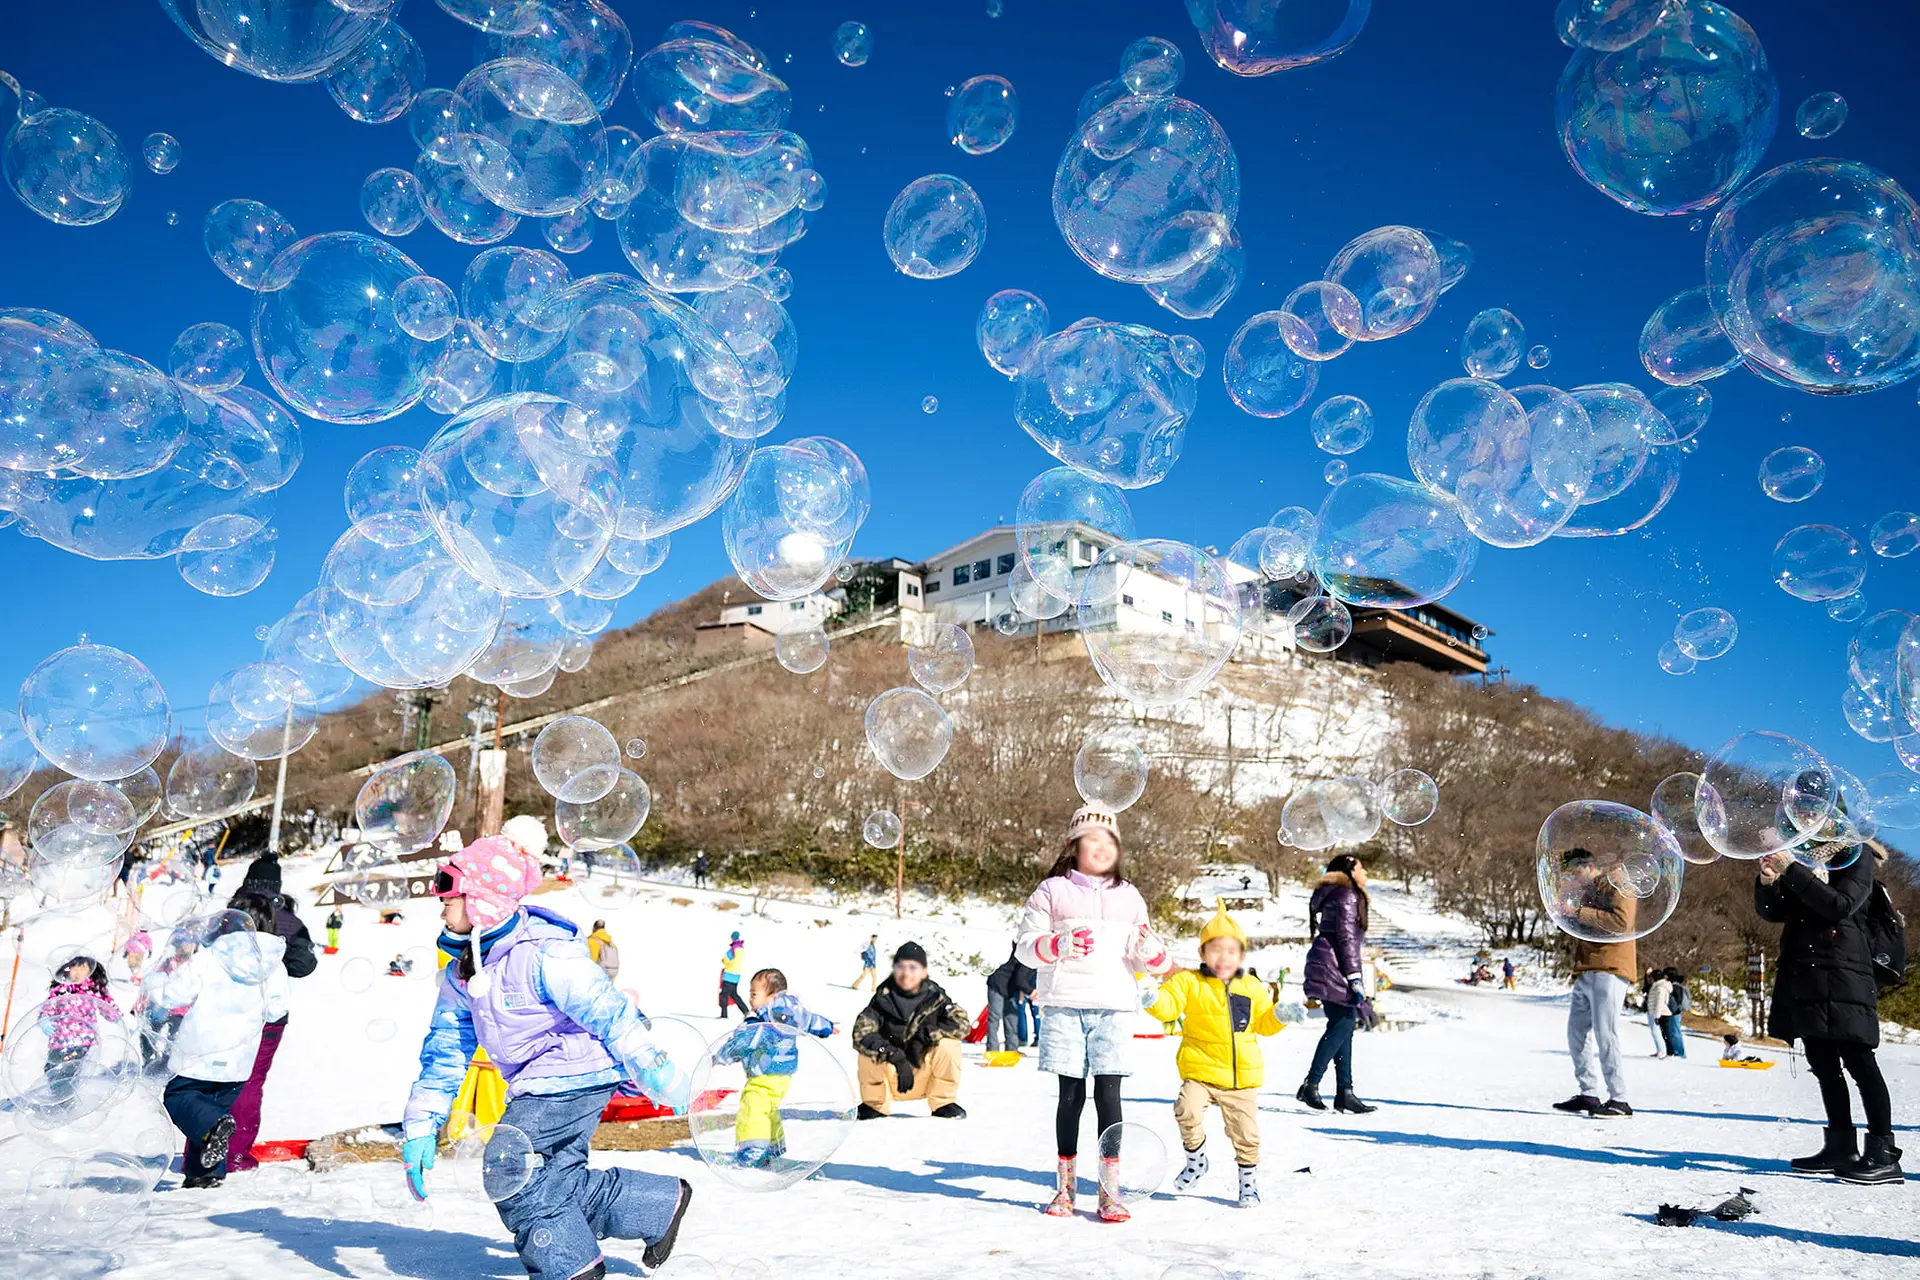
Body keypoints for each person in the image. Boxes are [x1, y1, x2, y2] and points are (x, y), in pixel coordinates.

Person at [401, 833, 695, 1278]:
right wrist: (422, 1122)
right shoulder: (463, 971)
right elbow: (445, 1049)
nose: (441, 905)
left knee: (509, 1168)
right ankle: (654, 1206)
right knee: (555, 1181)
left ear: (482, 900)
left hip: (573, 1073)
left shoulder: (544, 952)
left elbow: (609, 1010)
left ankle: (570, 1267)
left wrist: (652, 1067)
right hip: (537, 1086)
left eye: (450, 894)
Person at [1016, 804, 1173, 1223]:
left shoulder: (1131, 896)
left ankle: (1109, 1192)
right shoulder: (1051, 891)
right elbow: (1025, 947)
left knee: (1109, 1096)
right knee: (1071, 1097)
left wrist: (1150, 954)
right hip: (1065, 1005)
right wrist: (1055, 945)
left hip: (1115, 1008)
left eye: (1110, 841)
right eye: (1093, 839)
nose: (1102, 847)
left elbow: (1152, 960)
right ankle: (1065, 1189)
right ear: (1074, 844)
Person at [1756, 845, 1903, 1184]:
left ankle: (1883, 1153)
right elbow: (1777, 911)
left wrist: (1792, 868)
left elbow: (1839, 905)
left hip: (1844, 973)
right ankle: (1840, 1146)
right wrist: (1768, 882)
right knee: (1823, 1064)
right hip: (1806, 973)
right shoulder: (1806, 859)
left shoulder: (1857, 853)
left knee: (1859, 1060)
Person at [147, 898, 291, 1187]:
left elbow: (175, 994)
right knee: (213, 1111)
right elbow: (277, 1010)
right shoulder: (274, 965)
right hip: (240, 1057)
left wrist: (155, 986)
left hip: (199, 1051)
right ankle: (204, 1175)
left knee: (180, 1098)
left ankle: (211, 1139)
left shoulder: (209, 956)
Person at [1146, 903, 1282, 1208]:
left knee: (1246, 1133)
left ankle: (1248, 1184)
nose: (1224, 957)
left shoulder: (1252, 986)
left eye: (1231, 951)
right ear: (1202, 954)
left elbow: (1264, 1024)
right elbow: (1168, 1006)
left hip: (1241, 1077)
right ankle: (1196, 1160)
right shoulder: (1189, 982)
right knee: (1187, 1108)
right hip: (1201, 1070)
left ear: (1242, 956)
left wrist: (1281, 1015)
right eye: (1215, 950)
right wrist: (1153, 999)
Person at [224, 860, 318, 1174]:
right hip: (268, 1013)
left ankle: (203, 1153)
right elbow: (305, 966)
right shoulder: (287, 920)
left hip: (221, 1009)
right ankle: (236, 1154)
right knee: (250, 1083)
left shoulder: (229, 914)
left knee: (212, 1079)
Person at [714, 968, 836, 1167]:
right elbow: (809, 1019)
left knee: (753, 1104)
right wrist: (827, 1026)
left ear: (772, 996)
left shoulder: (760, 1021)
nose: (750, 999)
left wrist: (719, 1057)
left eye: (754, 994)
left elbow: (741, 1044)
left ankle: (753, 1150)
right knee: (768, 1107)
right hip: (783, 1074)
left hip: (765, 1072)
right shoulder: (788, 1014)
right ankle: (772, 1145)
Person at [1551, 848, 1637, 1119]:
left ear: (1589, 865)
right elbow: (1580, 923)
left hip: (1610, 966)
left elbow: (1621, 922)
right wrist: (1564, 915)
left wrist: (1577, 912)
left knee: (1605, 1032)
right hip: (1587, 966)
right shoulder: (1587, 891)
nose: (1574, 878)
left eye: (1575, 872)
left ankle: (1619, 1099)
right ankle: (1588, 1093)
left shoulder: (1619, 882)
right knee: (1576, 1032)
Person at [850, 941, 970, 1121]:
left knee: (949, 1045)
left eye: (913, 967)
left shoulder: (937, 998)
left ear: (924, 971)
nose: (906, 973)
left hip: (924, 1073)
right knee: (867, 1051)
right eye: (901, 967)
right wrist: (892, 1053)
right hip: (891, 1074)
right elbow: (861, 1033)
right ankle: (875, 1104)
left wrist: (927, 1035)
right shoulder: (882, 999)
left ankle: (943, 1103)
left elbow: (961, 1024)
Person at [1298, 854, 1377, 1115]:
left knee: (1343, 1026)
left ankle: (1345, 1092)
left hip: (1326, 963)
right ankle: (1311, 1083)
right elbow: (1346, 939)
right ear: (1349, 871)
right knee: (1343, 1024)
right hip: (1335, 968)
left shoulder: (1334, 893)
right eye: (1361, 867)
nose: (1365, 873)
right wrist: (1355, 977)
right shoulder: (1347, 895)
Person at [40, 956, 121, 1104]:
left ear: (90, 971)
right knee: (51, 1069)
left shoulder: (94, 991)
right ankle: (60, 1098)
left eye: (83, 968)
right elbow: (48, 1008)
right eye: (74, 967)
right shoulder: (60, 990)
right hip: (59, 1040)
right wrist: (44, 1020)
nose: (78, 972)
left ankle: (65, 1103)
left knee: (69, 1071)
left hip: (82, 1040)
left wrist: (118, 1018)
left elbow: (108, 1008)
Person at [985, 943, 1037, 1053]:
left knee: (1012, 1017)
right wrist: (1032, 992)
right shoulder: (1027, 960)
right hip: (997, 984)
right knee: (995, 1017)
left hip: (1010, 989)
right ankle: (992, 1049)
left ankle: (1012, 1049)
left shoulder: (1031, 961)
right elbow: (1020, 980)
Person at [1662, 966, 1690, 1059]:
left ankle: (1680, 1052)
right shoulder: (1674, 985)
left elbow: (1677, 1000)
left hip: (1674, 1012)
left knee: (1675, 1032)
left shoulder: (1675, 986)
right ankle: (1676, 1051)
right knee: (1673, 1031)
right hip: (1673, 1012)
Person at [719, 932, 748, 1018]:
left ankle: (724, 1015)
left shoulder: (733, 949)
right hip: (736, 976)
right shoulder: (741, 949)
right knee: (734, 994)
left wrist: (724, 961)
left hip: (728, 975)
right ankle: (745, 1010)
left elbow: (725, 960)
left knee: (724, 994)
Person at [1646, 968, 1672, 1059]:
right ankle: (1660, 1050)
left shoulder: (1660, 987)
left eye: (1652, 977)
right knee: (1657, 1032)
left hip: (1662, 1013)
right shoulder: (1657, 985)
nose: (1650, 979)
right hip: (1656, 1012)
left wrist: (1657, 1016)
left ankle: (1665, 1052)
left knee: (1663, 1033)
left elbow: (1659, 1002)